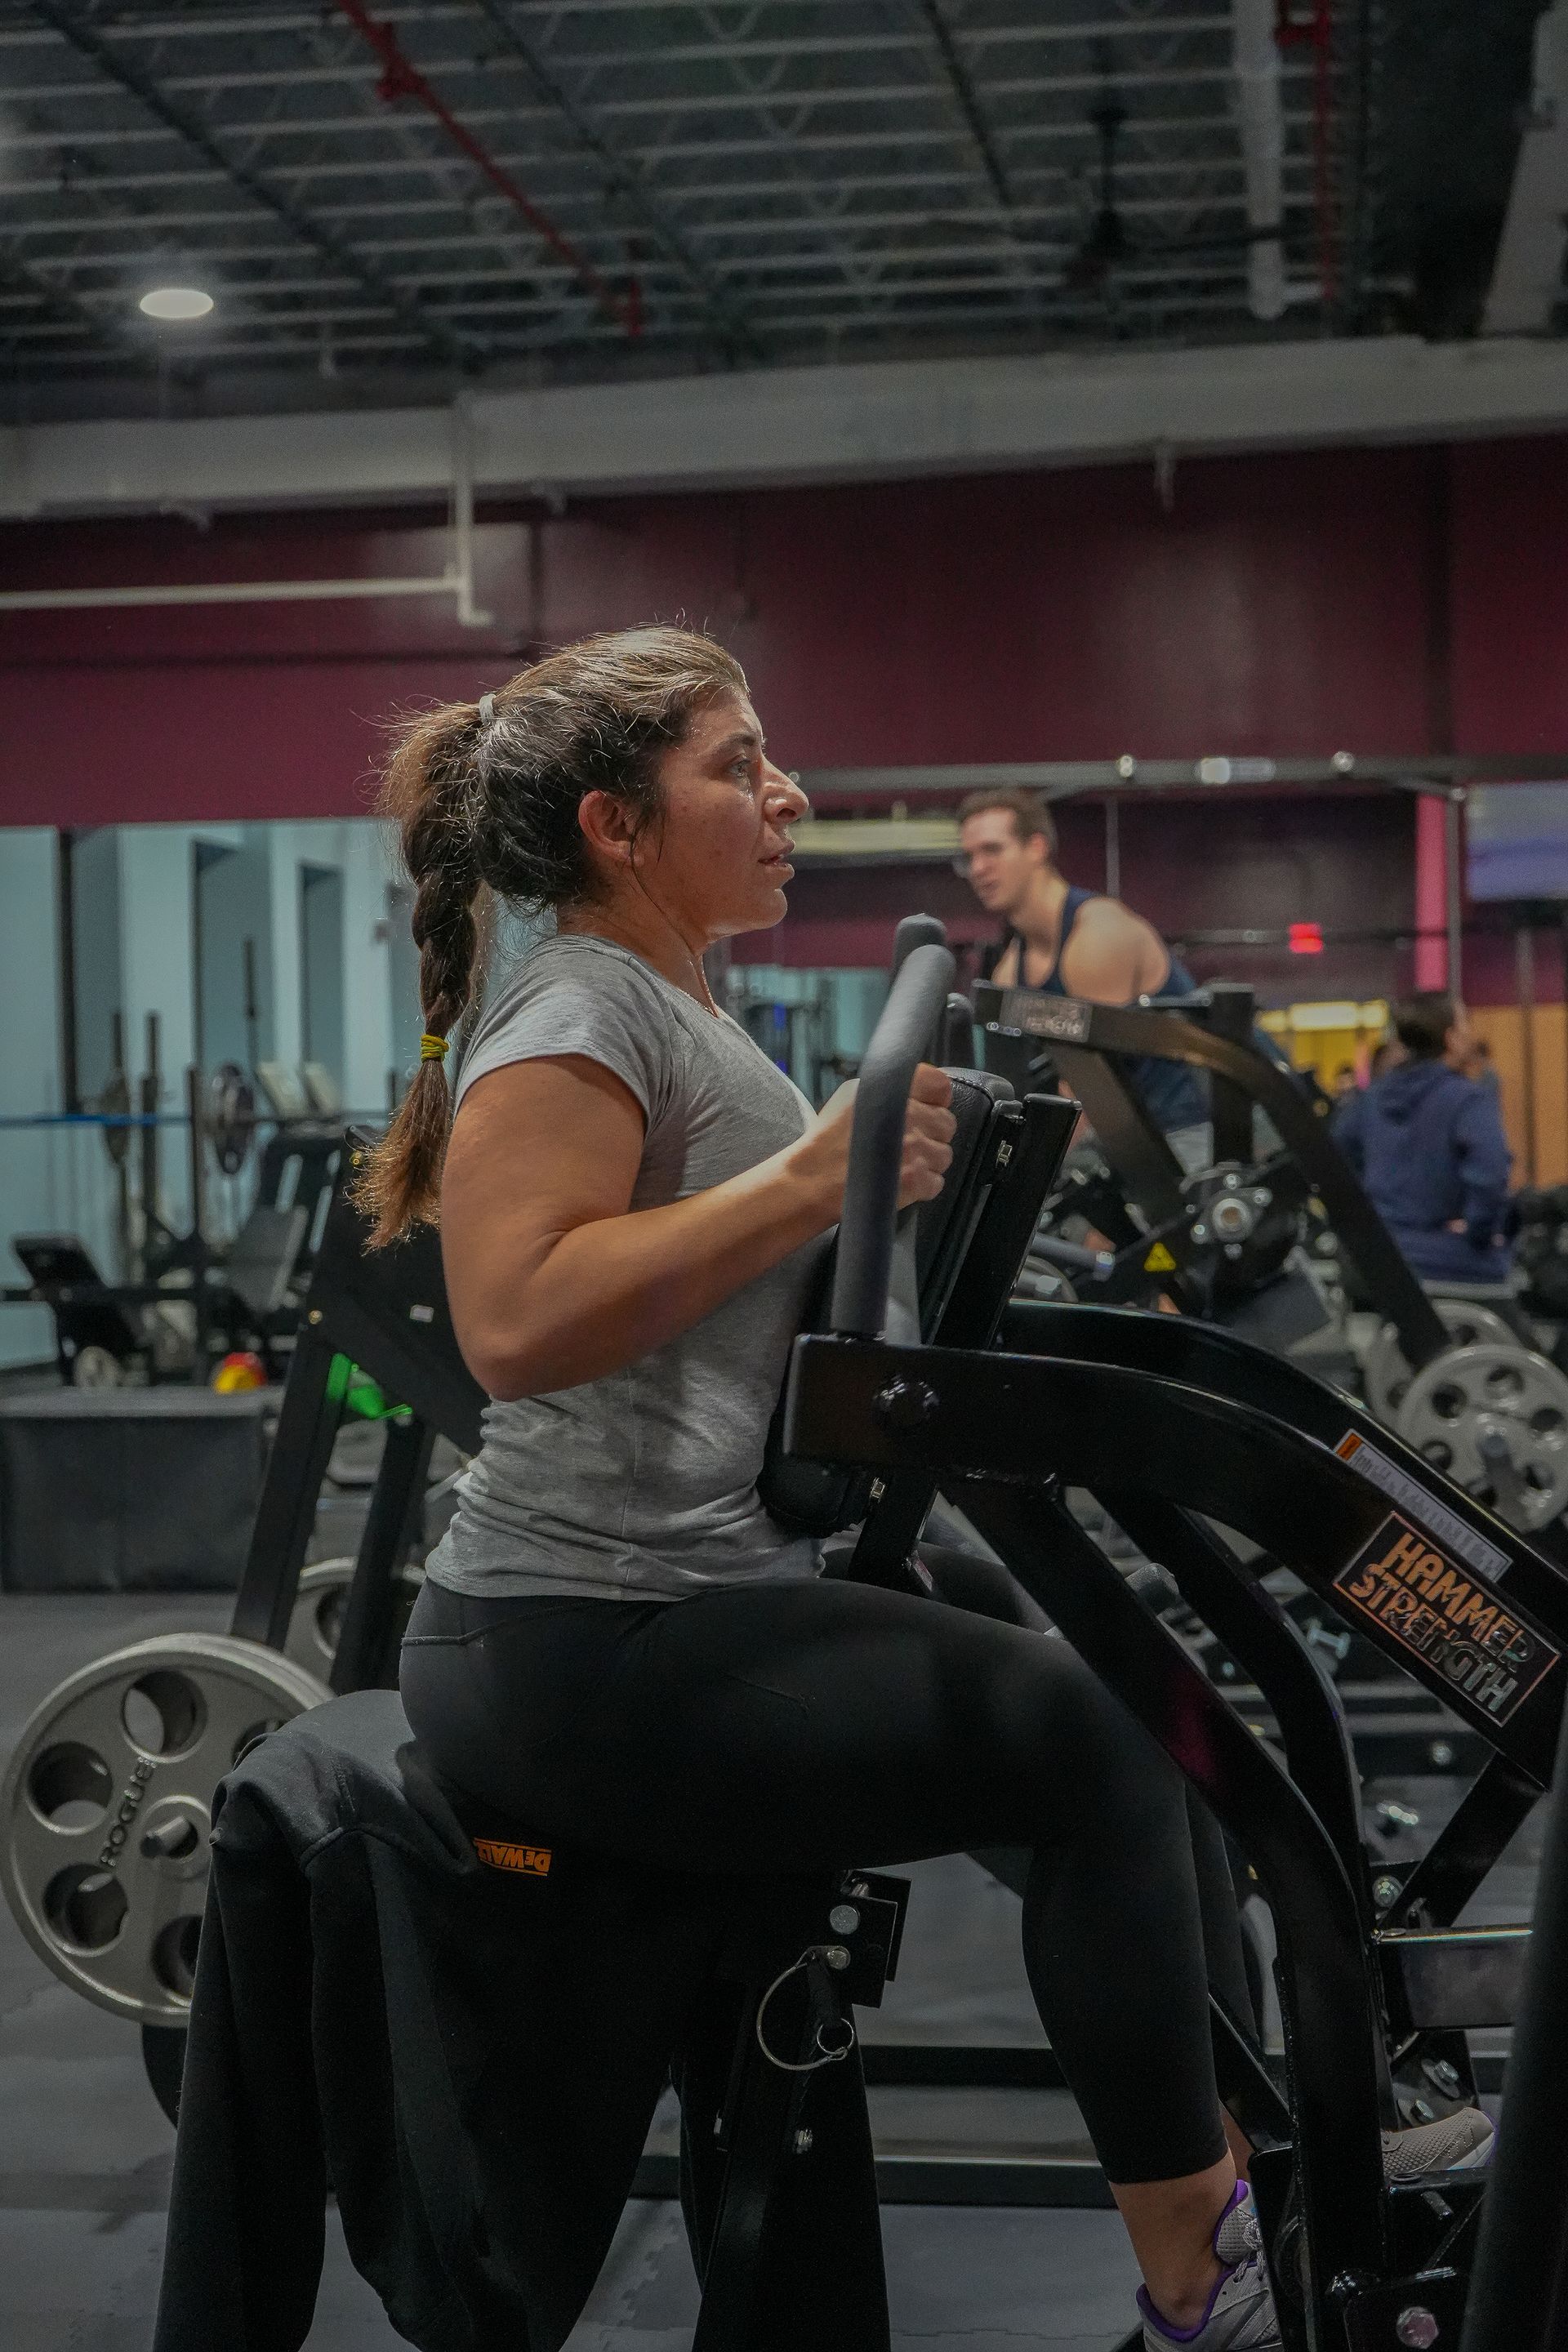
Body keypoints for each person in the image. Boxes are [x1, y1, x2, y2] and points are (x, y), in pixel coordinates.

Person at [363, 629, 1486, 2352]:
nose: (785, 792)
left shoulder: (667, 993)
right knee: (1090, 1750)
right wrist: (823, 1172)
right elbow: (516, 1320)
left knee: (1143, 1701)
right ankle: (1209, 2271)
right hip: (569, 1644)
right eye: (735, 765)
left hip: (681, 1589)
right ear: (616, 824)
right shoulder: (578, 1005)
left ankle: (1270, 2135)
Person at [956, 788, 1209, 1147]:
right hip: (1121, 1141)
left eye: (993, 850)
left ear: (1037, 848)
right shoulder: (1011, 970)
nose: (979, 869)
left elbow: (1092, 1090)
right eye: (969, 857)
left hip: (1189, 1130)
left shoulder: (1098, 936)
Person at [1334, 992, 1512, 1285]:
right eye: (1466, 1024)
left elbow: (1335, 1157)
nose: (1471, 1033)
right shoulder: (1468, 1099)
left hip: (1375, 1255)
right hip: (1445, 1255)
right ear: (1451, 1038)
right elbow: (1491, 1173)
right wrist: (1477, 1230)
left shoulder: (1371, 1099)